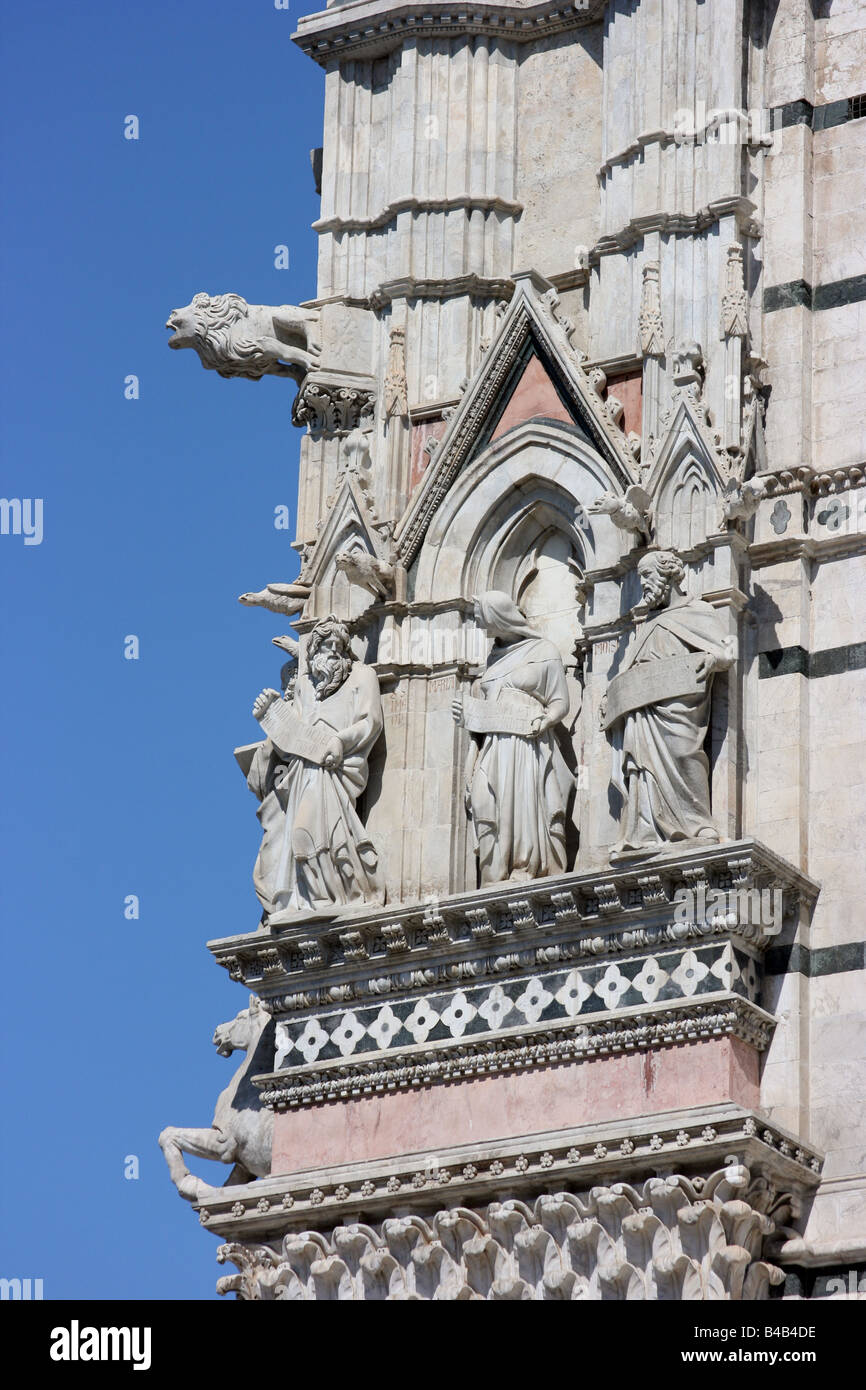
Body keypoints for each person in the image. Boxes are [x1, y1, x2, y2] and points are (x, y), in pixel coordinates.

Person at [247, 617, 384, 919]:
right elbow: (289, 739)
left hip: (336, 768)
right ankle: (311, 900)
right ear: (315, 649)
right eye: (327, 644)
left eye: (339, 645)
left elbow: (370, 722)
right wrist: (271, 715)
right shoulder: (306, 687)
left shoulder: (361, 675)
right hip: (302, 771)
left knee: (324, 835)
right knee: (300, 836)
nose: (334, 650)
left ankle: (342, 894)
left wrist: (339, 741)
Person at [605, 550, 736, 856]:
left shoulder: (697, 612)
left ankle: (697, 823)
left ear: (667, 575)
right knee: (641, 766)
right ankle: (645, 829)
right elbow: (627, 672)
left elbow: (726, 651)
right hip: (643, 713)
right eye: (639, 578)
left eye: (647, 576)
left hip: (680, 708)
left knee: (683, 752)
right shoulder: (648, 624)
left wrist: (713, 658)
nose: (643, 585)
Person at [452, 590, 573, 884]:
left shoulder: (543, 651)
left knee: (522, 801)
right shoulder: (492, 660)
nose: (480, 627)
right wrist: (467, 715)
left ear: (499, 617)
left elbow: (560, 703)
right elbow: (486, 712)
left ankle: (526, 866)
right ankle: (493, 874)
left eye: (483, 620)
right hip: (493, 745)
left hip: (527, 745)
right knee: (484, 799)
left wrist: (544, 721)